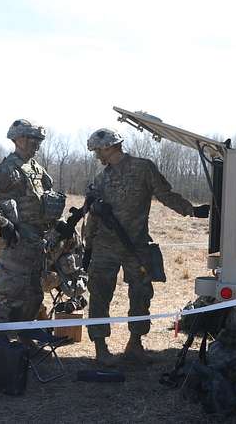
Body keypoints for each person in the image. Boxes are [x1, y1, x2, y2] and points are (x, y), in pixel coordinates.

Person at [84, 128, 210, 365]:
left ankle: (135, 344)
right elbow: (92, 215)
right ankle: (101, 349)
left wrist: (191, 210)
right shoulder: (101, 179)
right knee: (99, 295)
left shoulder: (143, 168)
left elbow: (165, 194)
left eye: (98, 151)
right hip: (105, 247)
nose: (96, 156)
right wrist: (88, 245)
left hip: (136, 246)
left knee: (141, 294)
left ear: (109, 147)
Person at [0, 119, 66, 324]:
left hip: (38, 242)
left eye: (39, 140)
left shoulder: (36, 169)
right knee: (11, 295)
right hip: (17, 242)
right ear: (19, 140)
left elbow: (48, 199)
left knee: (34, 293)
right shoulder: (8, 169)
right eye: (33, 139)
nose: (37, 144)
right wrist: (3, 224)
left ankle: (24, 339)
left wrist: (58, 223)